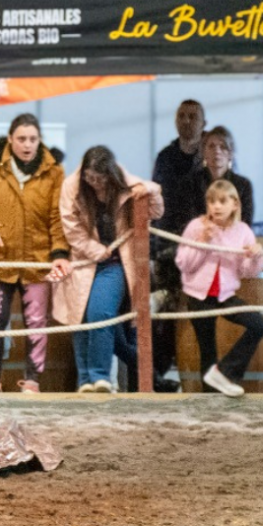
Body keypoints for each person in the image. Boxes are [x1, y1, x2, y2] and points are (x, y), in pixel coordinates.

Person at [0, 115, 72, 394]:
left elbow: (57, 217)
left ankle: (32, 381)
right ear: (10, 139)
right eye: (21, 139)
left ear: (40, 140)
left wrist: (59, 252)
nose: (27, 145)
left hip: (36, 261)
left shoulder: (54, 171)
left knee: (36, 323)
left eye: (33, 139)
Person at [55, 146, 164, 393]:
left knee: (100, 312)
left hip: (116, 262)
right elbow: (70, 227)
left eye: (101, 179)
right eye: (90, 178)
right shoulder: (71, 186)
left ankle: (100, 376)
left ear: (111, 175)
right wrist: (94, 250)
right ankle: (85, 381)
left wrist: (148, 189)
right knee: (80, 318)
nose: (95, 185)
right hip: (83, 262)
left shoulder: (126, 183)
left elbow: (157, 210)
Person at [175, 180, 263, 397]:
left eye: (222, 201)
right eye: (211, 201)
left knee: (259, 324)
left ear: (234, 204)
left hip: (225, 295)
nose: (216, 206)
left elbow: (247, 271)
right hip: (198, 295)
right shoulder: (196, 227)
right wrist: (202, 242)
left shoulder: (243, 231)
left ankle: (226, 372)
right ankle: (211, 402)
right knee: (207, 350)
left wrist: (256, 256)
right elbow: (184, 264)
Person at [149, 100, 207, 389]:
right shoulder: (165, 158)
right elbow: (157, 206)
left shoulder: (211, 156)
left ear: (203, 123)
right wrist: (157, 247)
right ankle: (157, 377)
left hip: (206, 251)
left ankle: (202, 374)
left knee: (200, 313)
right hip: (169, 248)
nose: (187, 121)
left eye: (193, 116)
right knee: (165, 315)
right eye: (182, 116)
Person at [164, 126, 253, 237]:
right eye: (211, 146)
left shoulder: (243, 185)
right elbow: (184, 221)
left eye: (223, 147)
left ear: (230, 154)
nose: (217, 151)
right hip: (198, 240)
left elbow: (245, 224)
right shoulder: (189, 183)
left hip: (232, 243)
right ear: (204, 153)